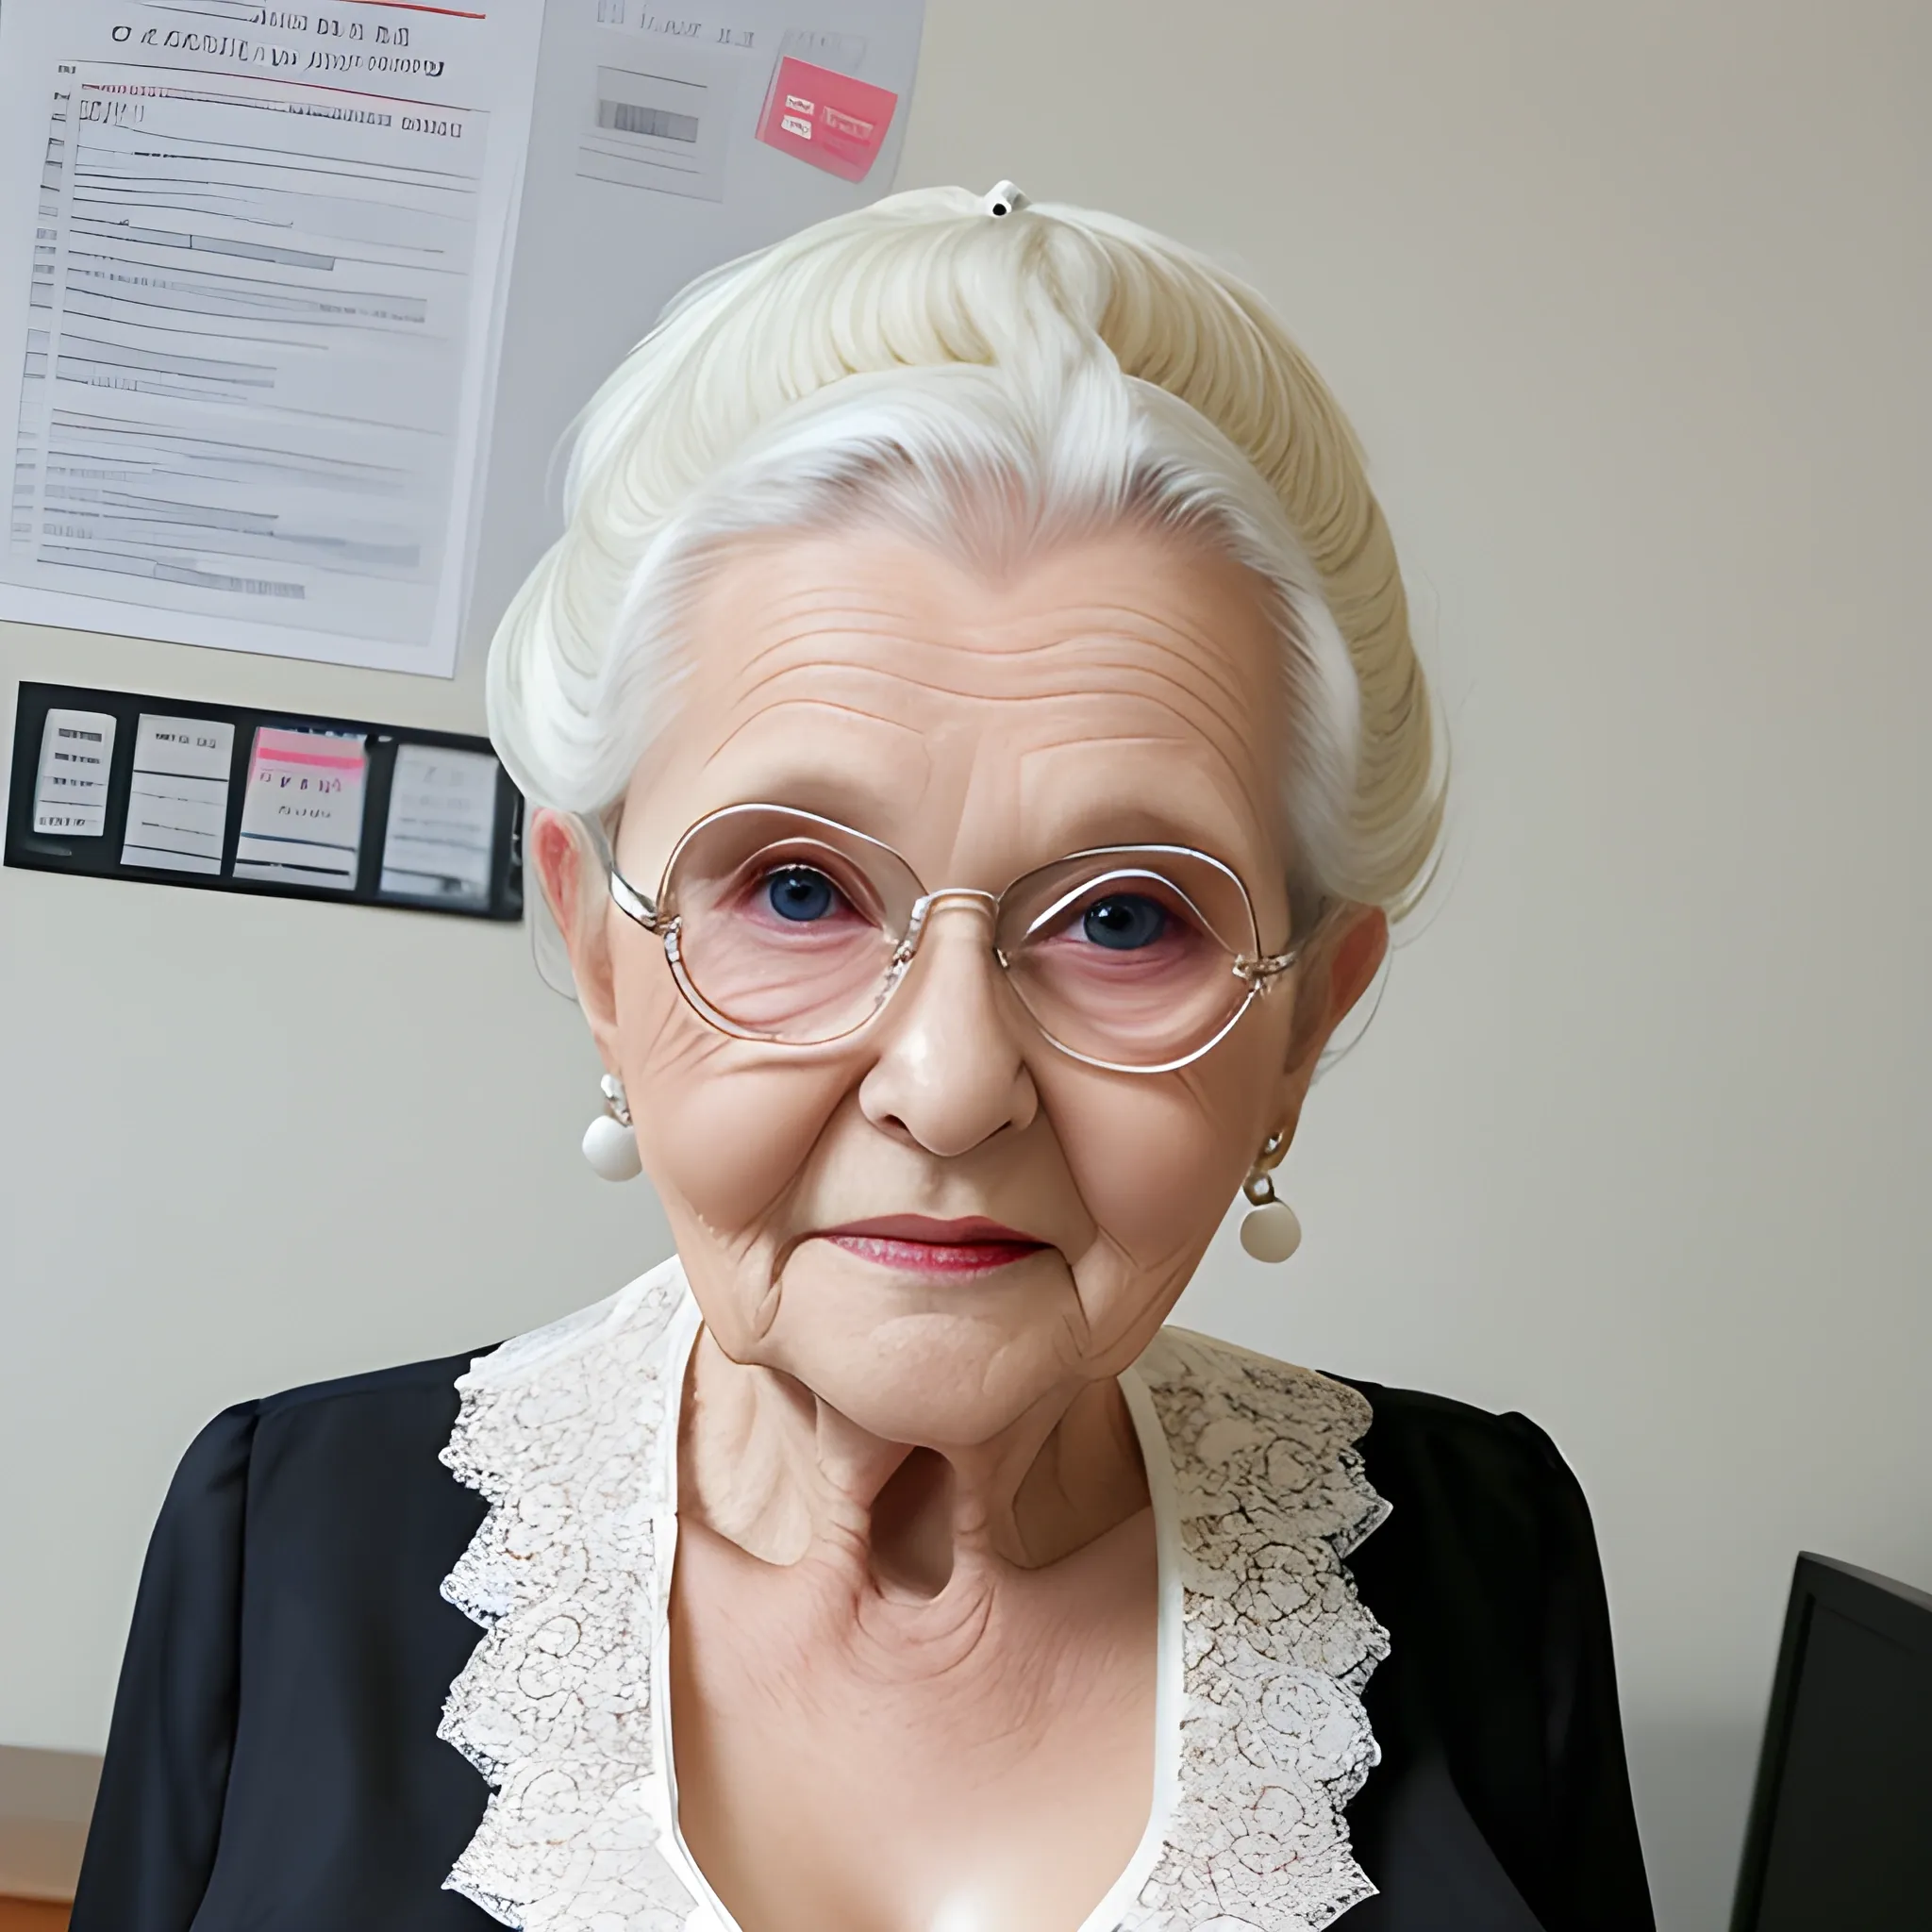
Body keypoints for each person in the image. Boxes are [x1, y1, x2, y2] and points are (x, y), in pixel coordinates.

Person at [71, 184, 1654, 1932]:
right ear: (600, 944)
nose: (953, 1080)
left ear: (1310, 1021)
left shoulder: (1481, 1565)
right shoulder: (278, 1548)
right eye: (802, 888)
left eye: (1126, 918)